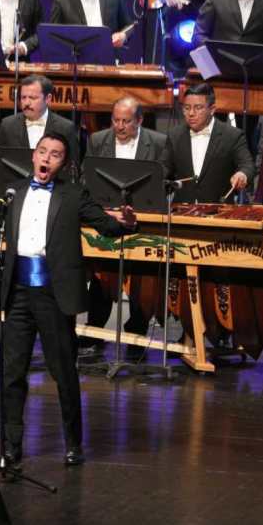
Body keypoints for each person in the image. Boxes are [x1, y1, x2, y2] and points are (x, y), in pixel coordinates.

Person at [0, 133, 137, 466]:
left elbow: (106, 225)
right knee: (12, 373)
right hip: (17, 293)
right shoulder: (12, 193)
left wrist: (128, 224)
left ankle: (73, 444)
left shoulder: (74, 194)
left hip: (53, 294)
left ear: (64, 163)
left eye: (56, 154)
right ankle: (11, 446)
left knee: (63, 373)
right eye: (43, 152)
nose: (47, 158)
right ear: (34, 156)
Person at [83, 97, 169, 356]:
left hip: (142, 221)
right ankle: (94, 332)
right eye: (115, 120)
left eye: (126, 121)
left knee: (142, 281)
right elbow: (87, 178)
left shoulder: (158, 142)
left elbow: (164, 181)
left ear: (139, 120)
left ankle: (136, 337)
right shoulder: (98, 140)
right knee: (101, 277)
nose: (119, 126)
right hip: (108, 219)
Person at [165, 82, 255, 203]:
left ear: (212, 109)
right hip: (182, 209)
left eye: (198, 108)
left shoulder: (232, 136)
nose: (191, 113)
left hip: (219, 210)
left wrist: (242, 174)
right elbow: (163, 169)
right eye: (186, 108)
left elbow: (248, 166)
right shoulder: (175, 135)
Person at [0, 75, 80, 166]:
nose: (27, 103)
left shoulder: (65, 128)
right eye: (23, 97)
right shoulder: (8, 125)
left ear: (48, 99)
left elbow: (73, 166)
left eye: (32, 98)